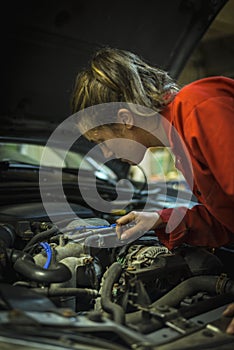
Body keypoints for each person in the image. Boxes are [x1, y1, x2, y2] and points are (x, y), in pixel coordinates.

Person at [71, 47, 234, 332]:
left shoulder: (197, 106)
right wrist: (160, 218)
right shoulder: (179, 141)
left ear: (124, 119)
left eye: (102, 140)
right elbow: (227, 223)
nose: (105, 152)